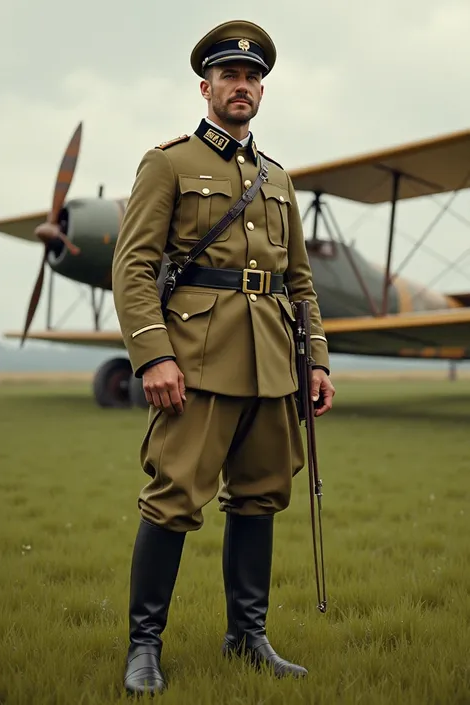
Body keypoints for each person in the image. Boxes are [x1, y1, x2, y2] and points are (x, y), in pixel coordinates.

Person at [112, 19, 335, 696]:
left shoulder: (277, 178)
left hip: (271, 360)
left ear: (261, 90)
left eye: (253, 77)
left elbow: (299, 279)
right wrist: (153, 356)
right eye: (230, 76)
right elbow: (135, 266)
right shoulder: (169, 162)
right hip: (195, 360)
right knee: (173, 497)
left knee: (261, 497)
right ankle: (144, 645)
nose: (242, 87)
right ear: (205, 85)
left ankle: (248, 636)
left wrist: (316, 358)